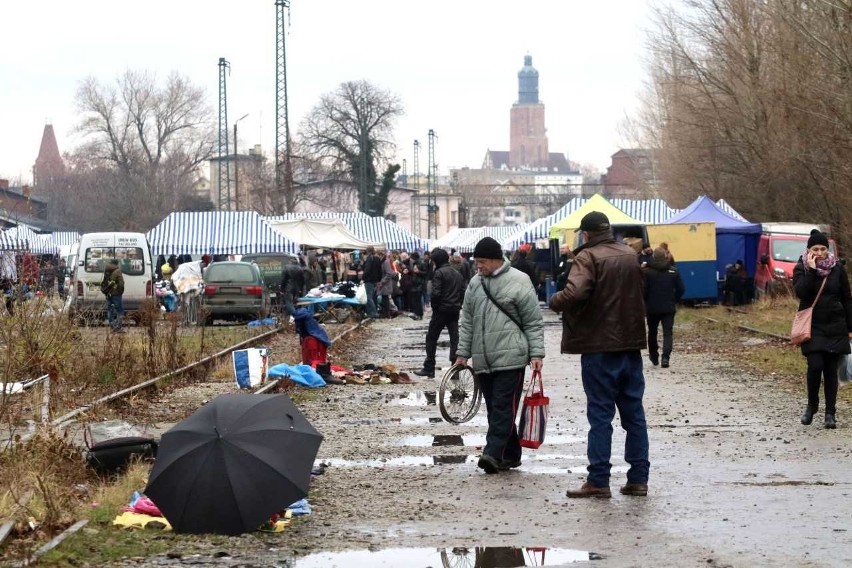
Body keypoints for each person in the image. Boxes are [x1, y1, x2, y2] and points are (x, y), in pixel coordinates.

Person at [549, 211, 649, 498]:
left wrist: (555, 301)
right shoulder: (630, 255)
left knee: (600, 414)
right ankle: (638, 479)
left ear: (587, 234)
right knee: (634, 415)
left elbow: (575, 292)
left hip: (599, 346)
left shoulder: (587, 257)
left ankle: (598, 480)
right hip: (630, 345)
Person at [455, 237, 544, 474]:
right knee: (496, 410)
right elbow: (467, 322)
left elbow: (533, 322)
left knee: (504, 407)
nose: (478, 266)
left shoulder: (519, 280)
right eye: (476, 262)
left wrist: (536, 353)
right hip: (483, 359)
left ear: (496, 260)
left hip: (511, 356)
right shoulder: (475, 283)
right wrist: (462, 354)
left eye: (482, 261)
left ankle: (492, 453)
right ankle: (511, 455)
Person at [792, 229, 852, 429]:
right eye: (815, 249)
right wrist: (811, 271)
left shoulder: (837, 269)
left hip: (836, 325)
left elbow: (847, 298)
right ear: (809, 250)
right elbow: (801, 292)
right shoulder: (802, 268)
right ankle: (812, 405)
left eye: (823, 249)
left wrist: (850, 327)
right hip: (813, 326)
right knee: (815, 366)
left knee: (830, 371)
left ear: (828, 250)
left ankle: (830, 413)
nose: (819, 252)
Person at [415, 248, 465, 378]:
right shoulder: (456, 273)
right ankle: (455, 368)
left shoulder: (439, 273)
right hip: (454, 310)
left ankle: (429, 367)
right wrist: (458, 305)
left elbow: (436, 294)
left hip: (441, 311)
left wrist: (435, 307)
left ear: (436, 261)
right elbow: (463, 291)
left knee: (431, 338)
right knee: (454, 339)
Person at [644, 246, 685, 368]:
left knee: (652, 332)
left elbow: (643, 290)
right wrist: (675, 300)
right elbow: (681, 289)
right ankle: (665, 357)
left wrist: (646, 301)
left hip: (652, 308)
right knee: (668, 333)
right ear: (666, 257)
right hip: (668, 307)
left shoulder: (647, 272)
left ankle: (654, 355)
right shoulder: (673, 271)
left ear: (653, 257)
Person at [102, 259, 125, 334]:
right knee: (119, 310)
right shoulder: (118, 271)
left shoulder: (107, 269)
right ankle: (117, 327)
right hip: (116, 294)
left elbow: (105, 281)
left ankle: (112, 326)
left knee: (110, 309)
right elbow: (121, 284)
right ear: (117, 264)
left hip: (109, 294)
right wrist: (120, 292)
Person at [361, 246, 382, 318]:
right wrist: (379, 280)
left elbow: (367, 269)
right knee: (374, 297)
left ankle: (374, 313)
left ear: (368, 251)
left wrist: (362, 278)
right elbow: (380, 270)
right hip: (375, 280)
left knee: (369, 297)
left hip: (369, 280)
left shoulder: (370, 258)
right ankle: (374, 311)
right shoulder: (377, 258)